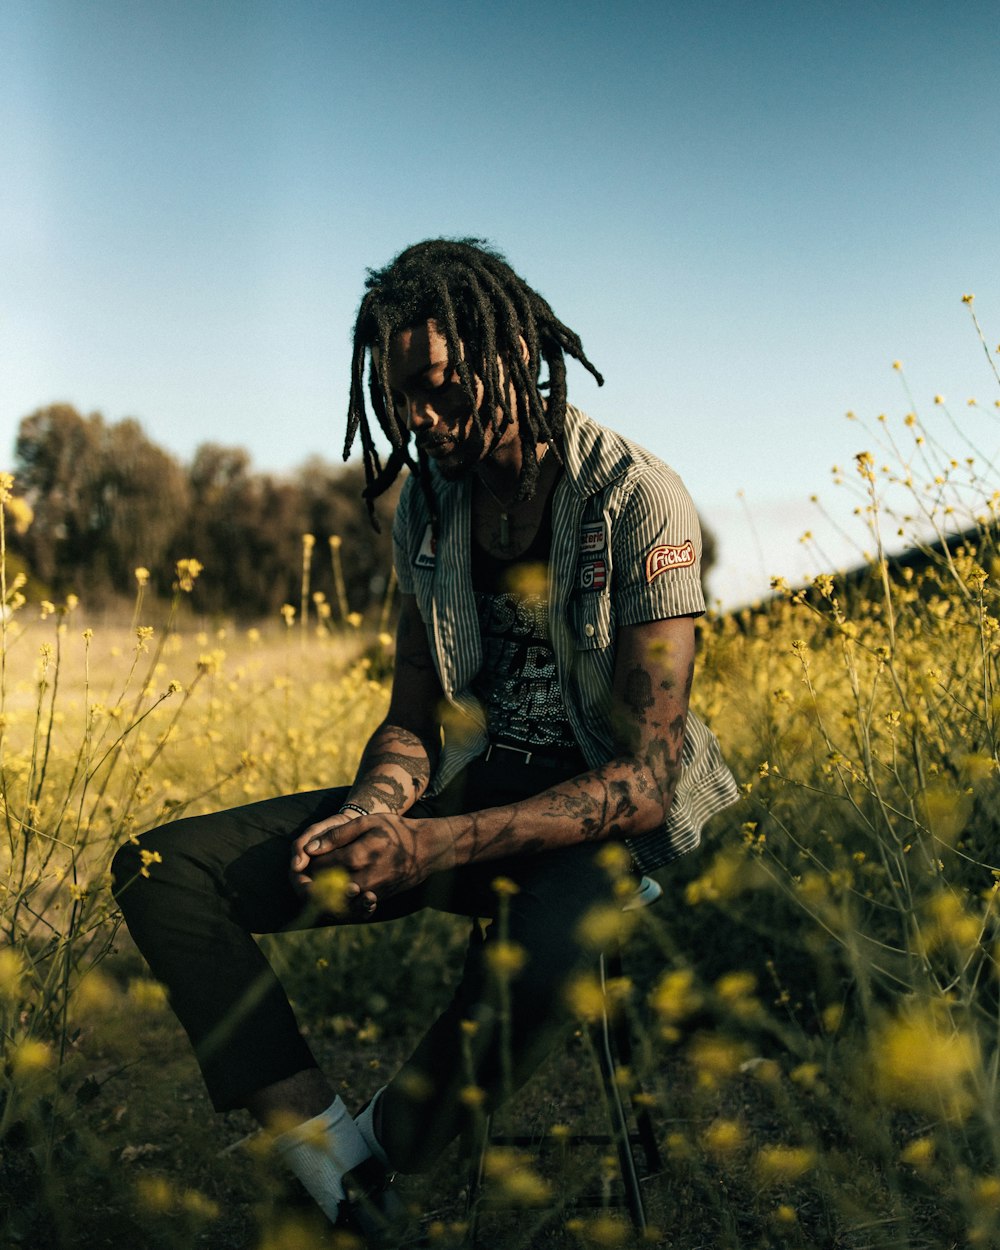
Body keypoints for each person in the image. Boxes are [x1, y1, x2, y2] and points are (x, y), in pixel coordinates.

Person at [111, 238, 739, 1237]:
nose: (417, 419)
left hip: (604, 825)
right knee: (163, 867)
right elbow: (413, 714)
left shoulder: (634, 496)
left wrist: (432, 843)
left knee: (544, 950)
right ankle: (331, 1162)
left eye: (438, 388)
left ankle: (369, 1176)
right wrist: (374, 808)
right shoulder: (430, 505)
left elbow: (647, 781)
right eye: (398, 395)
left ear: (517, 351)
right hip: (470, 783)